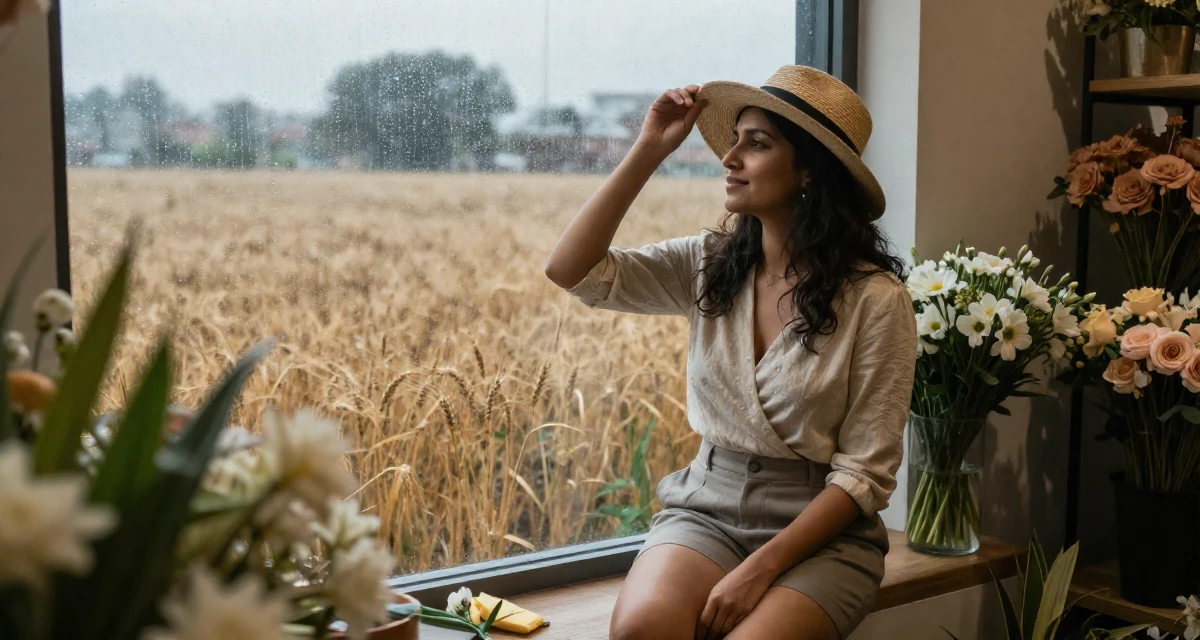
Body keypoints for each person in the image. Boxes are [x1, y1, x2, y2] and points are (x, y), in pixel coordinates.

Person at [544, 65, 917, 640]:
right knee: (640, 629)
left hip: (822, 532)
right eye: (734, 140)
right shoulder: (708, 263)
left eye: (757, 144)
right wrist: (648, 149)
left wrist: (757, 571)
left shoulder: (876, 301)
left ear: (809, 174)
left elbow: (863, 474)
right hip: (706, 509)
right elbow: (573, 271)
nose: (730, 157)